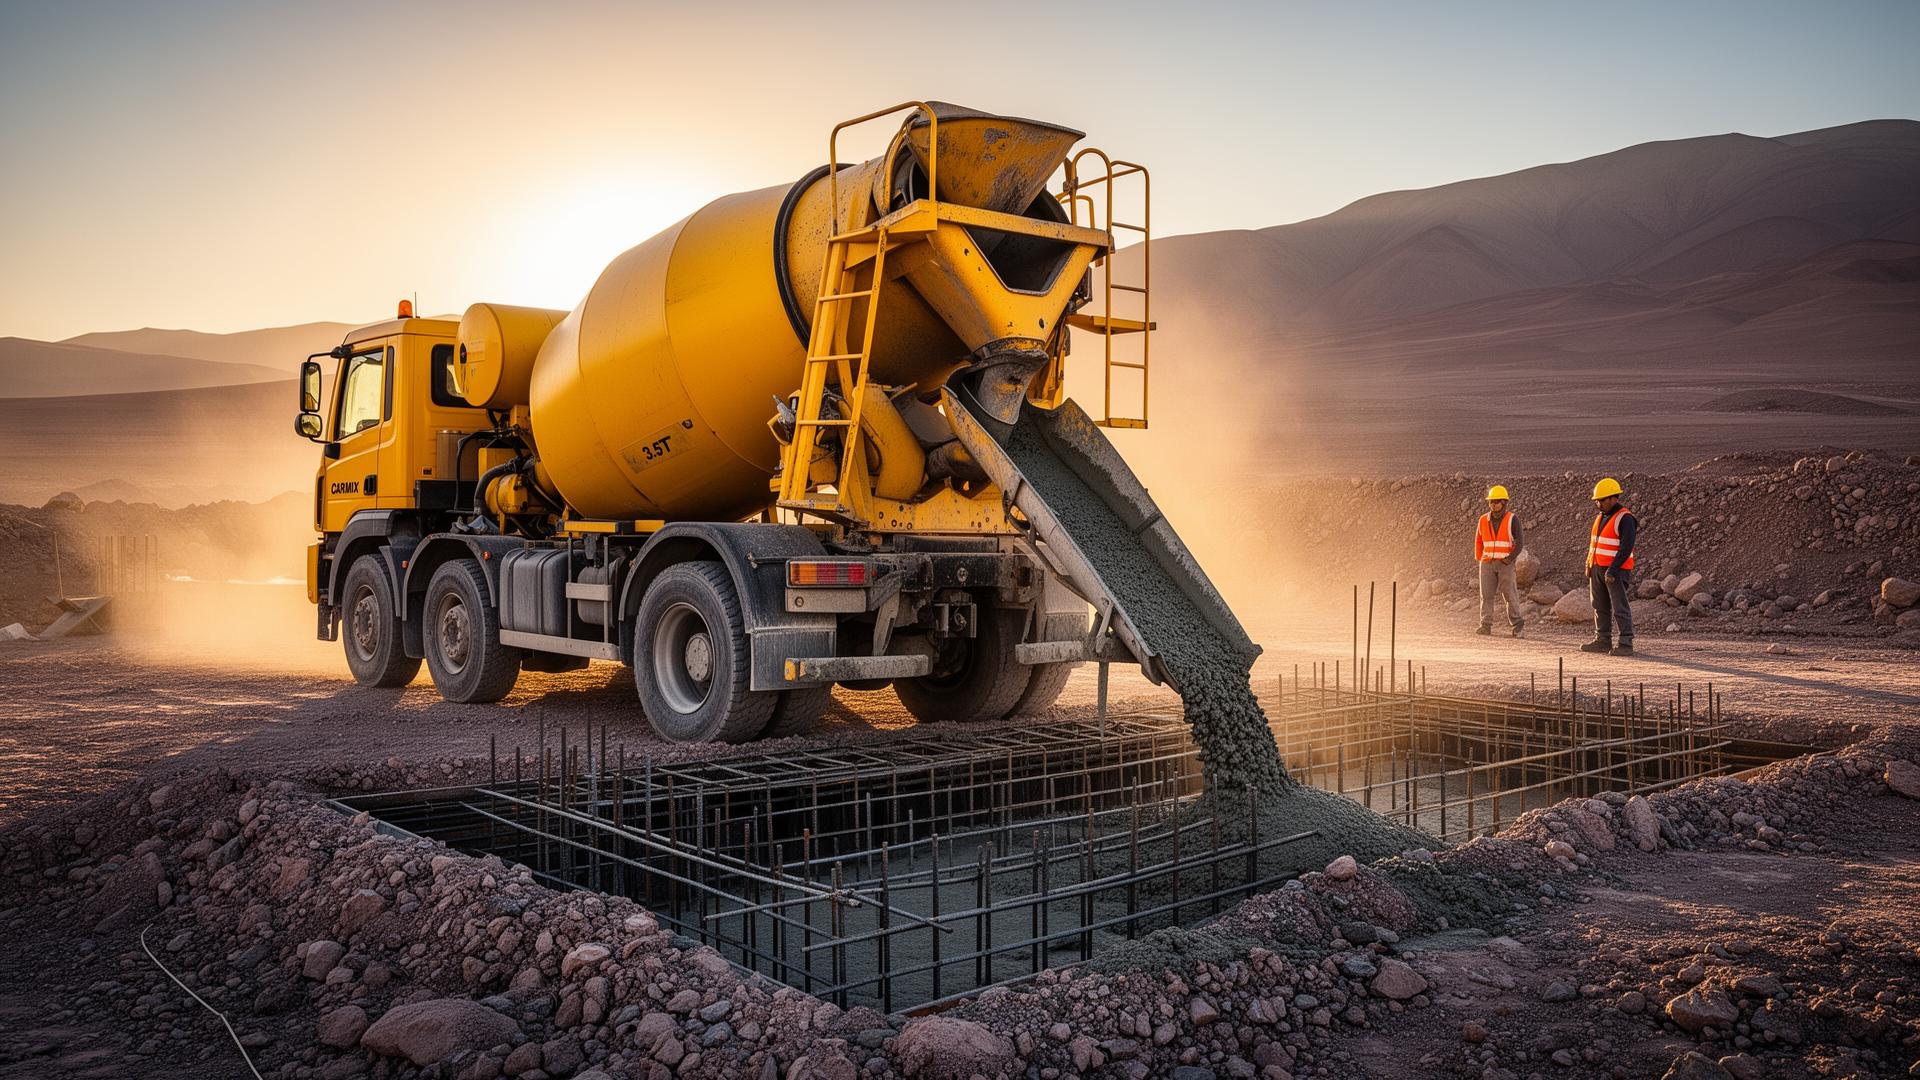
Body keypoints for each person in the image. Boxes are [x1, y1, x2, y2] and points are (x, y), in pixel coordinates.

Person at [1581, 477, 1637, 656]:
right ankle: (1603, 640)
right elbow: (1595, 544)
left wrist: (1613, 569)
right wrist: (1590, 564)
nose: (1598, 504)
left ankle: (1626, 642)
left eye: (1602, 500)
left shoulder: (1625, 518)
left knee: (1619, 605)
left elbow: (1626, 547)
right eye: (1597, 500)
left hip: (1615, 570)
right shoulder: (1601, 517)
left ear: (1614, 498)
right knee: (1599, 604)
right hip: (1598, 568)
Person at [1474, 485, 1525, 637]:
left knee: (1510, 595)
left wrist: (1509, 559)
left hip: (1505, 564)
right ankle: (1485, 625)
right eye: (1491, 501)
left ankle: (1517, 626)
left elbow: (1520, 541)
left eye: (1496, 501)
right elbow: (1478, 540)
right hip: (1487, 563)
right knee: (1486, 595)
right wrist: (1480, 559)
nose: (1493, 504)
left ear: (1504, 502)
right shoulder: (1483, 519)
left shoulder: (1512, 519)